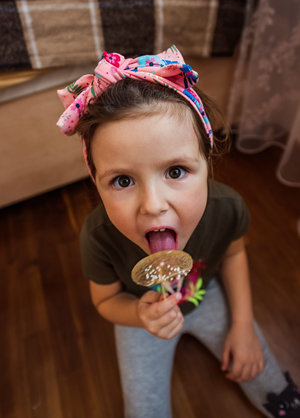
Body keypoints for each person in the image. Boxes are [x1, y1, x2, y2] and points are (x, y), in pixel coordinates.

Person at [57, 46, 300, 418]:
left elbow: (234, 253)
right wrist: (139, 314)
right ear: (95, 180)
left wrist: (242, 324)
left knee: (260, 366)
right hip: (142, 314)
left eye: (175, 172)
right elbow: (106, 301)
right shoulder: (98, 236)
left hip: (206, 295)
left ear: (207, 161)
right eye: (123, 180)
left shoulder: (227, 207)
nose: (153, 205)